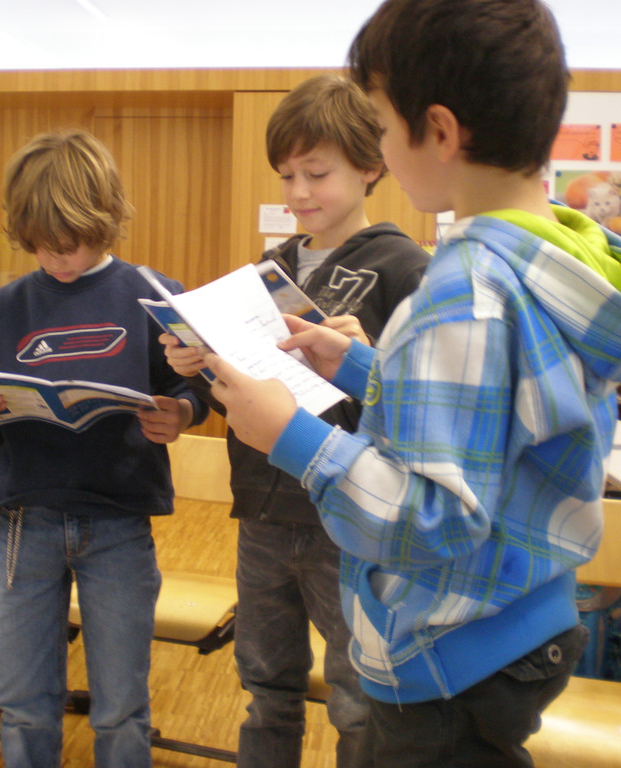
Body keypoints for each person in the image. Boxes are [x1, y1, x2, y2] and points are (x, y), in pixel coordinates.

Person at [200, 1, 621, 766]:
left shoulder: (463, 291)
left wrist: (291, 436)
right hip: (527, 615)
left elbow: (431, 517)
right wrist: (359, 365)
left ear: (438, 130)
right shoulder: (552, 252)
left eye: (381, 127)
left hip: (452, 648)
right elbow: (501, 413)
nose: (382, 149)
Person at [160, 73, 429, 768]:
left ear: (370, 167)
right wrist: (198, 360)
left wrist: (369, 358)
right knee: (265, 682)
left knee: (357, 695)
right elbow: (243, 386)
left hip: (349, 513)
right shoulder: (267, 268)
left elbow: (425, 402)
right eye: (286, 176)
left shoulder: (405, 268)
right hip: (263, 505)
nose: (299, 191)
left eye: (317, 172)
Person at [0, 129, 208, 768]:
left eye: (68, 242)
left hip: (119, 522)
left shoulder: (153, 294)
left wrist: (181, 412)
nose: (55, 257)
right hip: (26, 523)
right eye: (39, 244)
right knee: (22, 703)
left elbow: (194, 387)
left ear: (104, 219)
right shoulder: (3, 307)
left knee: (120, 707)